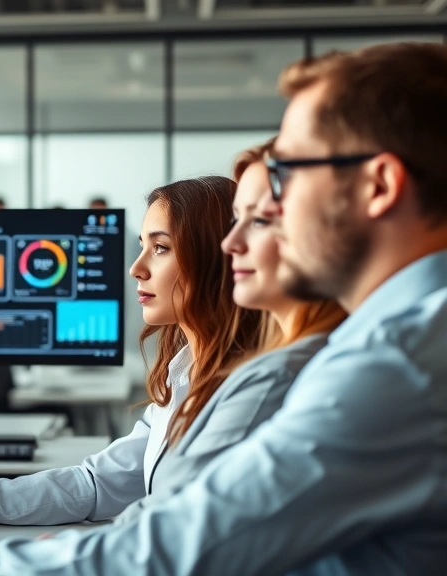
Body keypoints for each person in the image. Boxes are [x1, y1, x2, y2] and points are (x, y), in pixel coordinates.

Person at [0, 42, 447, 575]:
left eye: (289, 174)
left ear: (381, 184)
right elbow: (114, 486)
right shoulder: (391, 348)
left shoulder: (394, 367)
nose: (263, 218)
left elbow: (174, 549)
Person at [0, 176, 264, 527]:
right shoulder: (184, 376)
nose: (136, 268)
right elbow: (96, 483)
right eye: (142, 246)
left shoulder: (246, 392)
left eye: (160, 248)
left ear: (216, 259)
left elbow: (177, 537)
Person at [114, 139, 347, 521]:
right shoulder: (184, 367)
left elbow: (174, 526)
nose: (135, 268)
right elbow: (112, 482)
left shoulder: (268, 380)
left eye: (160, 248)